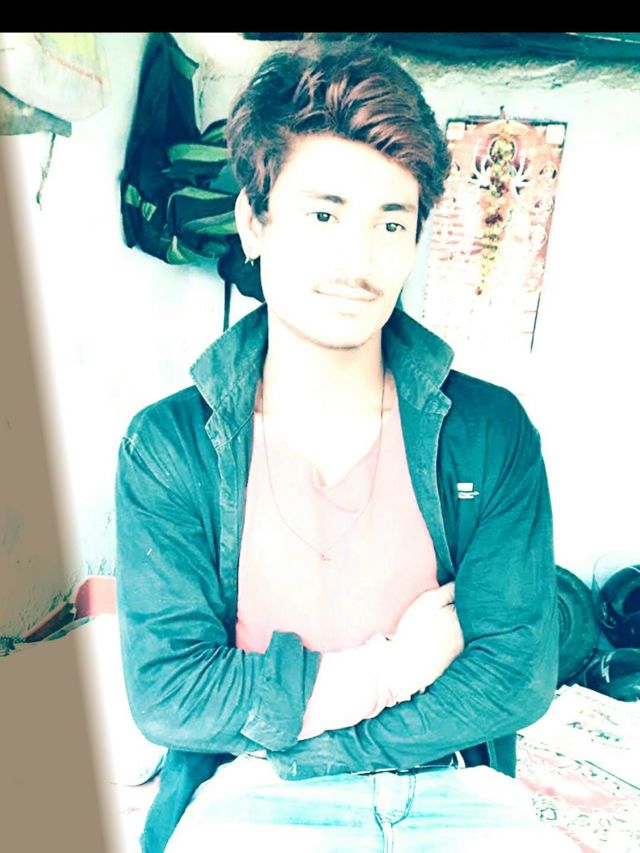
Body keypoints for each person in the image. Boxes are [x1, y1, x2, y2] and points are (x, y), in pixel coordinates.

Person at [116, 36, 576, 853]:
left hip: (450, 784)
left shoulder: (488, 431)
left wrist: (324, 747)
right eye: (323, 214)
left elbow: (513, 674)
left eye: (390, 223)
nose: (357, 262)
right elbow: (173, 694)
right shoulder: (169, 446)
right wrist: (394, 667)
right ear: (253, 223)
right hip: (251, 788)